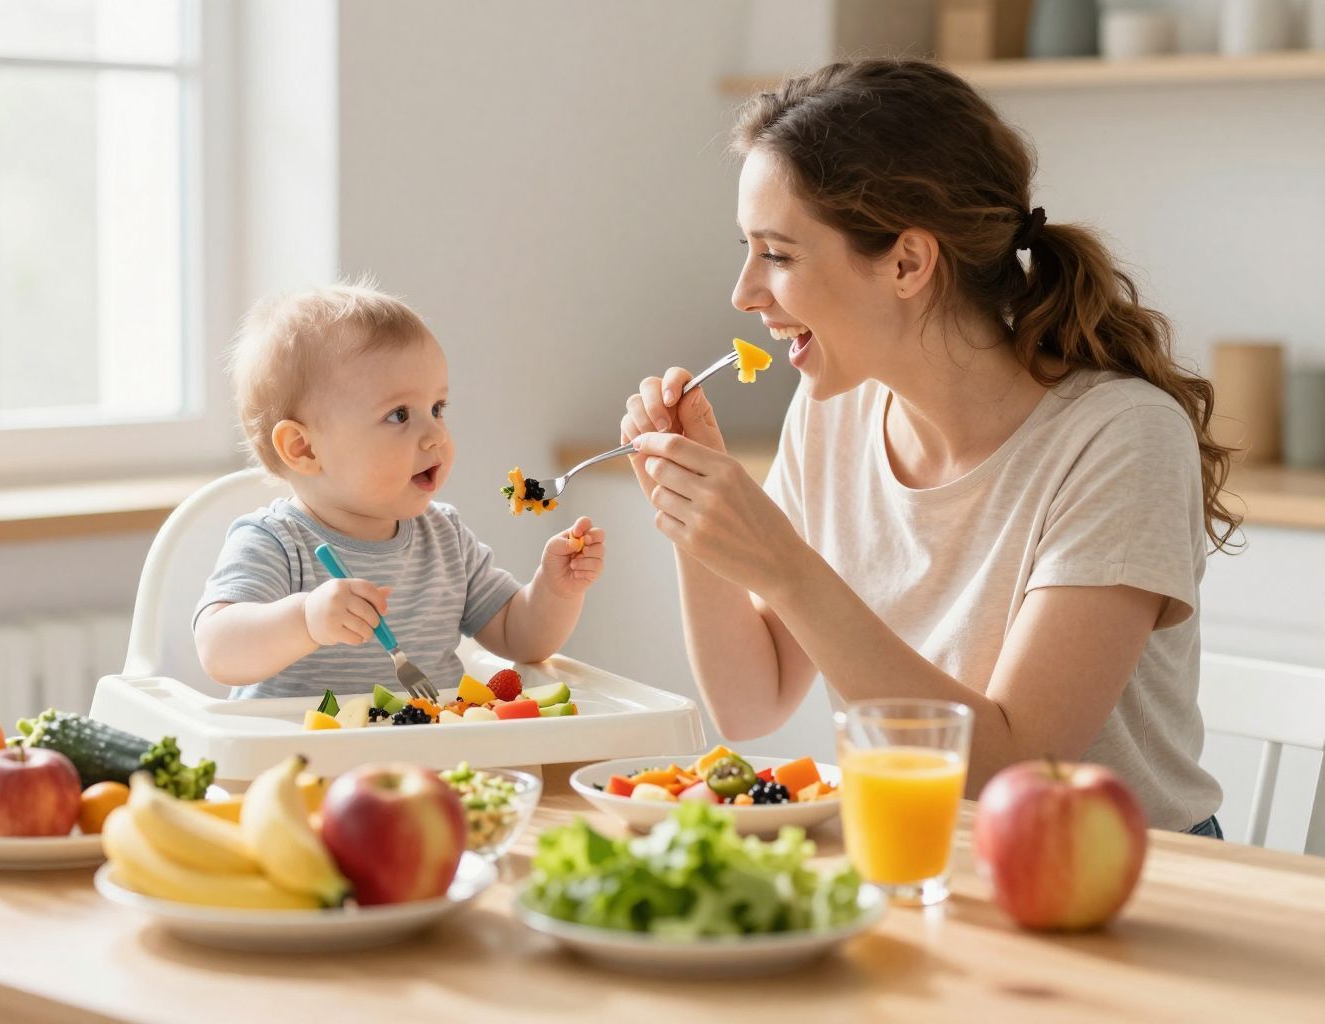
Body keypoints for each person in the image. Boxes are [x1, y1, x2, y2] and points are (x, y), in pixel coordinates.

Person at [619, 59, 1233, 836]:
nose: (743, 292)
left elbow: (1013, 774)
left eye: (777, 253)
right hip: (928, 856)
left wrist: (782, 562)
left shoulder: (1121, 439)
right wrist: (694, 514)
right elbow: (752, 701)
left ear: (908, 262)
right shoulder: (832, 410)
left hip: (1132, 883)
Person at [195, 283, 605, 699]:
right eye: (399, 415)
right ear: (304, 448)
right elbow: (218, 650)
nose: (435, 437)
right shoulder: (275, 542)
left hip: (428, 757)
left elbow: (520, 640)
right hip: (304, 758)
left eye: (437, 409)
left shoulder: (444, 537)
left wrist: (554, 591)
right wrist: (305, 620)